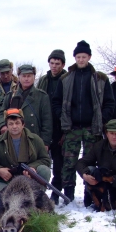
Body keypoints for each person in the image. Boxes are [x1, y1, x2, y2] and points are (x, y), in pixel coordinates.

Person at [51, 40, 115, 202]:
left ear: (89, 57)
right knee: (69, 161)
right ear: (75, 58)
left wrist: (103, 118)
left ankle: (89, 193)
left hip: (92, 128)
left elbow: (109, 102)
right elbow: (56, 101)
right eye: (78, 56)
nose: (81, 59)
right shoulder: (65, 79)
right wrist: (62, 115)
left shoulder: (99, 78)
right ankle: (69, 193)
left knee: (90, 161)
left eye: (84, 56)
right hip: (71, 127)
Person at [75, 119, 116, 212]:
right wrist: (84, 175)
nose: (114, 137)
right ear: (107, 134)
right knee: (90, 170)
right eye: (111, 133)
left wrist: (111, 179)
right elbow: (81, 162)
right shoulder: (99, 146)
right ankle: (96, 200)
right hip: (104, 185)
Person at [0, 108, 51, 195]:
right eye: (11, 124)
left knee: (44, 170)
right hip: (7, 181)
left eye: (17, 123)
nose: (14, 126)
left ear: (23, 125)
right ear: (7, 126)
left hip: (30, 179)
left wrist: (31, 168)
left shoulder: (35, 139)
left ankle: (37, 197)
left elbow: (45, 160)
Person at [37, 49, 67, 204]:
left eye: (58, 63)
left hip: (61, 127)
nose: (54, 66)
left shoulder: (67, 79)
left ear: (63, 64)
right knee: (42, 162)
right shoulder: (43, 80)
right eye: (52, 63)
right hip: (44, 127)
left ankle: (57, 192)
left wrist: (65, 131)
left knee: (60, 164)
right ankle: (39, 192)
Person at [0, 64, 53, 147]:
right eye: (24, 76)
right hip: (13, 138)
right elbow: (1, 114)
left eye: (29, 76)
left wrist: (45, 143)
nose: (26, 79)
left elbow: (47, 122)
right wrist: (2, 125)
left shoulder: (42, 96)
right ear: (19, 77)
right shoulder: (10, 95)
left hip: (34, 139)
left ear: (34, 77)